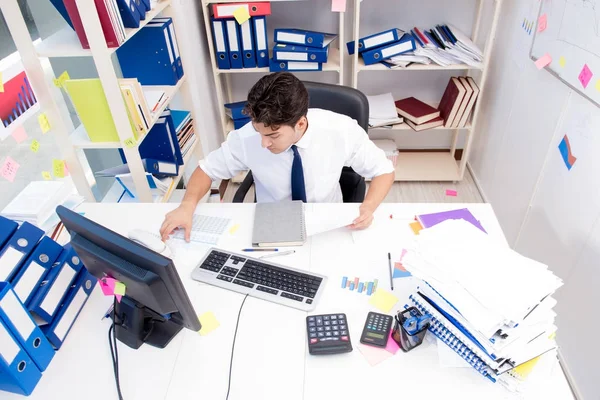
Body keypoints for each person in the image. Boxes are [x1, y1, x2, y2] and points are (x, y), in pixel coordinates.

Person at [160, 72, 395, 241]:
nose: (263, 143)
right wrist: (187, 205)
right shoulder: (247, 138)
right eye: (258, 131)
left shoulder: (340, 130)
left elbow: (383, 170)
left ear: (301, 123)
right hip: (271, 222)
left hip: (327, 222)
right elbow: (207, 170)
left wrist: (368, 207)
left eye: (273, 135)